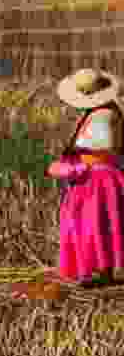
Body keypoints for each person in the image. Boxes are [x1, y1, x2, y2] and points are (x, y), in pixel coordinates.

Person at [48, 68, 124, 287]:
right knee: (92, 222)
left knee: (94, 223)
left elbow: (105, 145)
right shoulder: (100, 111)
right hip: (93, 176)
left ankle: (102, 272)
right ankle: (97, 270)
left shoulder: (104, 115)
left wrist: (75, 157)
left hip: (97, 179)